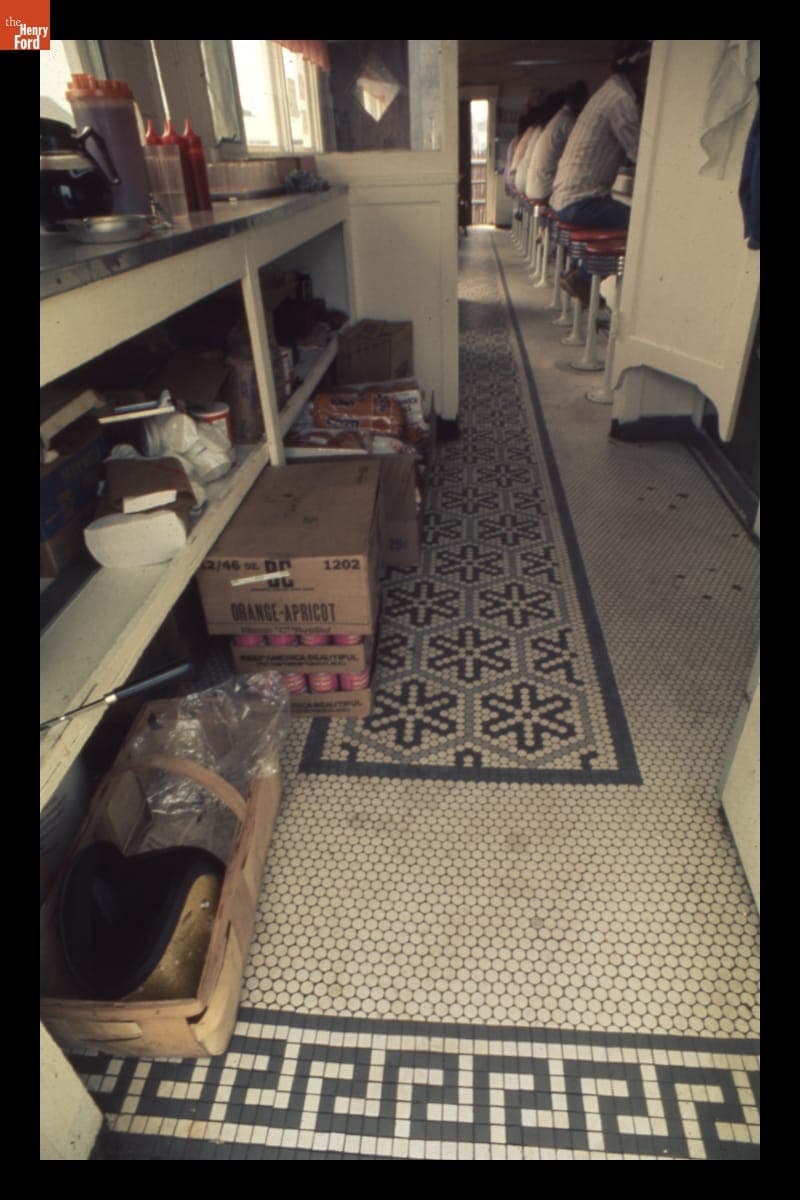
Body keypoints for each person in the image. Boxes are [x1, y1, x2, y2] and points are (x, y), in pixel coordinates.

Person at [549, 42, 651, 305]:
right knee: (643, 224)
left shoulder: (607, 91)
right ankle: (583, 278)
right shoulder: (621, 100)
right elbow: (641, 154)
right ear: (640, 68)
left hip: (563, 200)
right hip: (581, 202)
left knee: (626, 219)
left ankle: (579, 273)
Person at [522, 80, 589, 204]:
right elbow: (580, 153)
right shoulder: (568, 121)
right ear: (581, 100)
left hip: (534, 187)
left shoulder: (558, 120)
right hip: (544, 190)